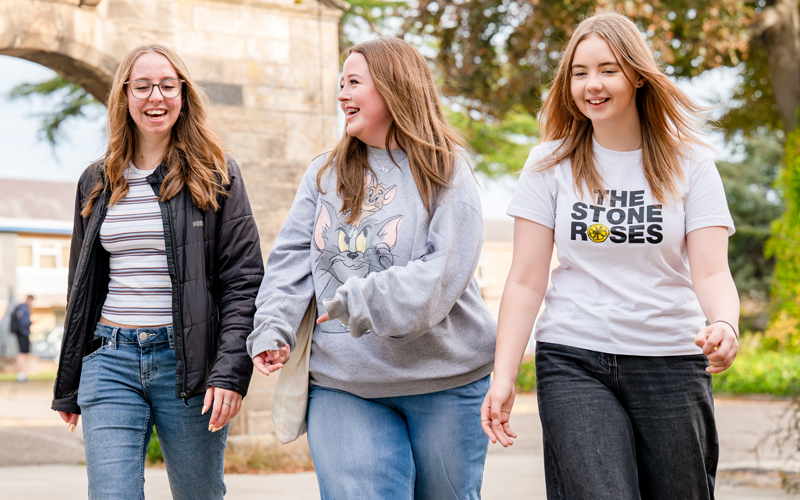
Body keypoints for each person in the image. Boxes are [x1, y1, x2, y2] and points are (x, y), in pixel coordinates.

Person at [482, 11, 739, 500]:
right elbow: (525, 279)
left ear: (637, 75)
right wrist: (504, 375)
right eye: (579, 73)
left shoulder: (692, 164)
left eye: (607, 70)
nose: (591, 85)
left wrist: (724, 323)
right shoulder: (549, 163)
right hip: (574, 356)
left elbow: (711, 270)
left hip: (670, 359)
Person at [247, 37, 497, 499]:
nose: (342, 94)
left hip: (445, 379)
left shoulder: (448, 170)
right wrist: (272, 327)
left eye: (354, 82)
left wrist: (360, 298)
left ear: (394, 87)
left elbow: (441, 275)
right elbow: (290, 262)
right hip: (345, 384)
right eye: (340, 83)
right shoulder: (324, 173)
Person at [51, 44, 264, 500]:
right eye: (143, 86)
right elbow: (82, 286)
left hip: (187, 365)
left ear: (183, 95)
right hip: (109, 358)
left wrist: (229, 372)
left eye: (168, 86)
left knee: (198, 494)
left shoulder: (217, 174)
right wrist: (68, 385)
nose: (156, 97)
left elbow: (244, 281)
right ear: (124, 96)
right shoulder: (97, 179)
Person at [11, 295, 34, 382]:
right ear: (30, 300)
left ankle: (22, 375)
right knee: (22, 354)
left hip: (21, 333)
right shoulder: (24, 308)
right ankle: (21, 375)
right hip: (23, 333)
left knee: (23, 353)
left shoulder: (21, 308)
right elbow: (24, 322)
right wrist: (30, 324)